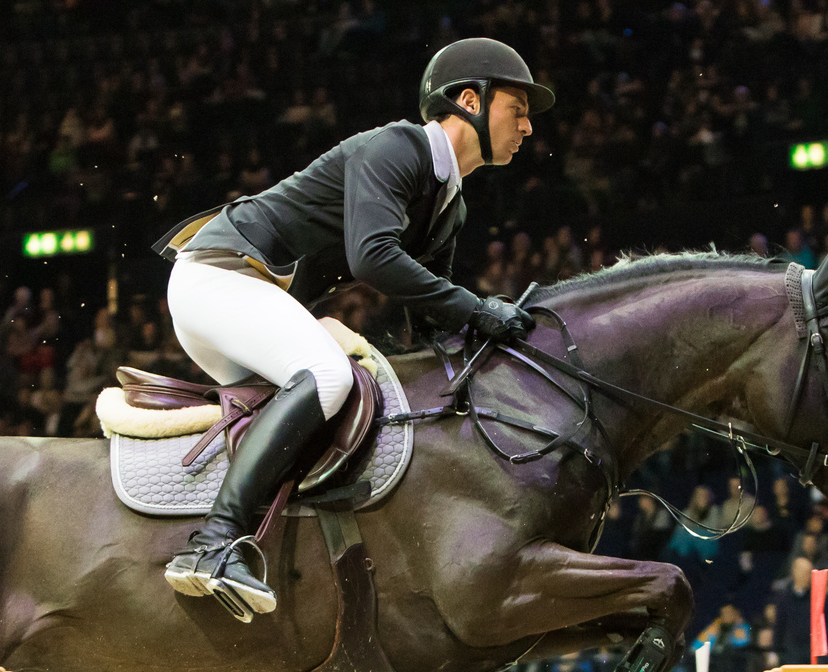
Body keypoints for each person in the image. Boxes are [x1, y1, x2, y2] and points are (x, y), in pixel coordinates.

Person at [152, 39, 553, 617]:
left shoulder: (450, 203)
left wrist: (500, 341)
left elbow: (432, 318)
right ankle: (214, 547)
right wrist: (477, 306)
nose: (527, 127)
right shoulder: (399, 147)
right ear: (470, 100)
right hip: (220, 277)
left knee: (329, 409)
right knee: (325, 374)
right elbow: (372, 258)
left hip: (242, 296)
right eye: (518, 109)